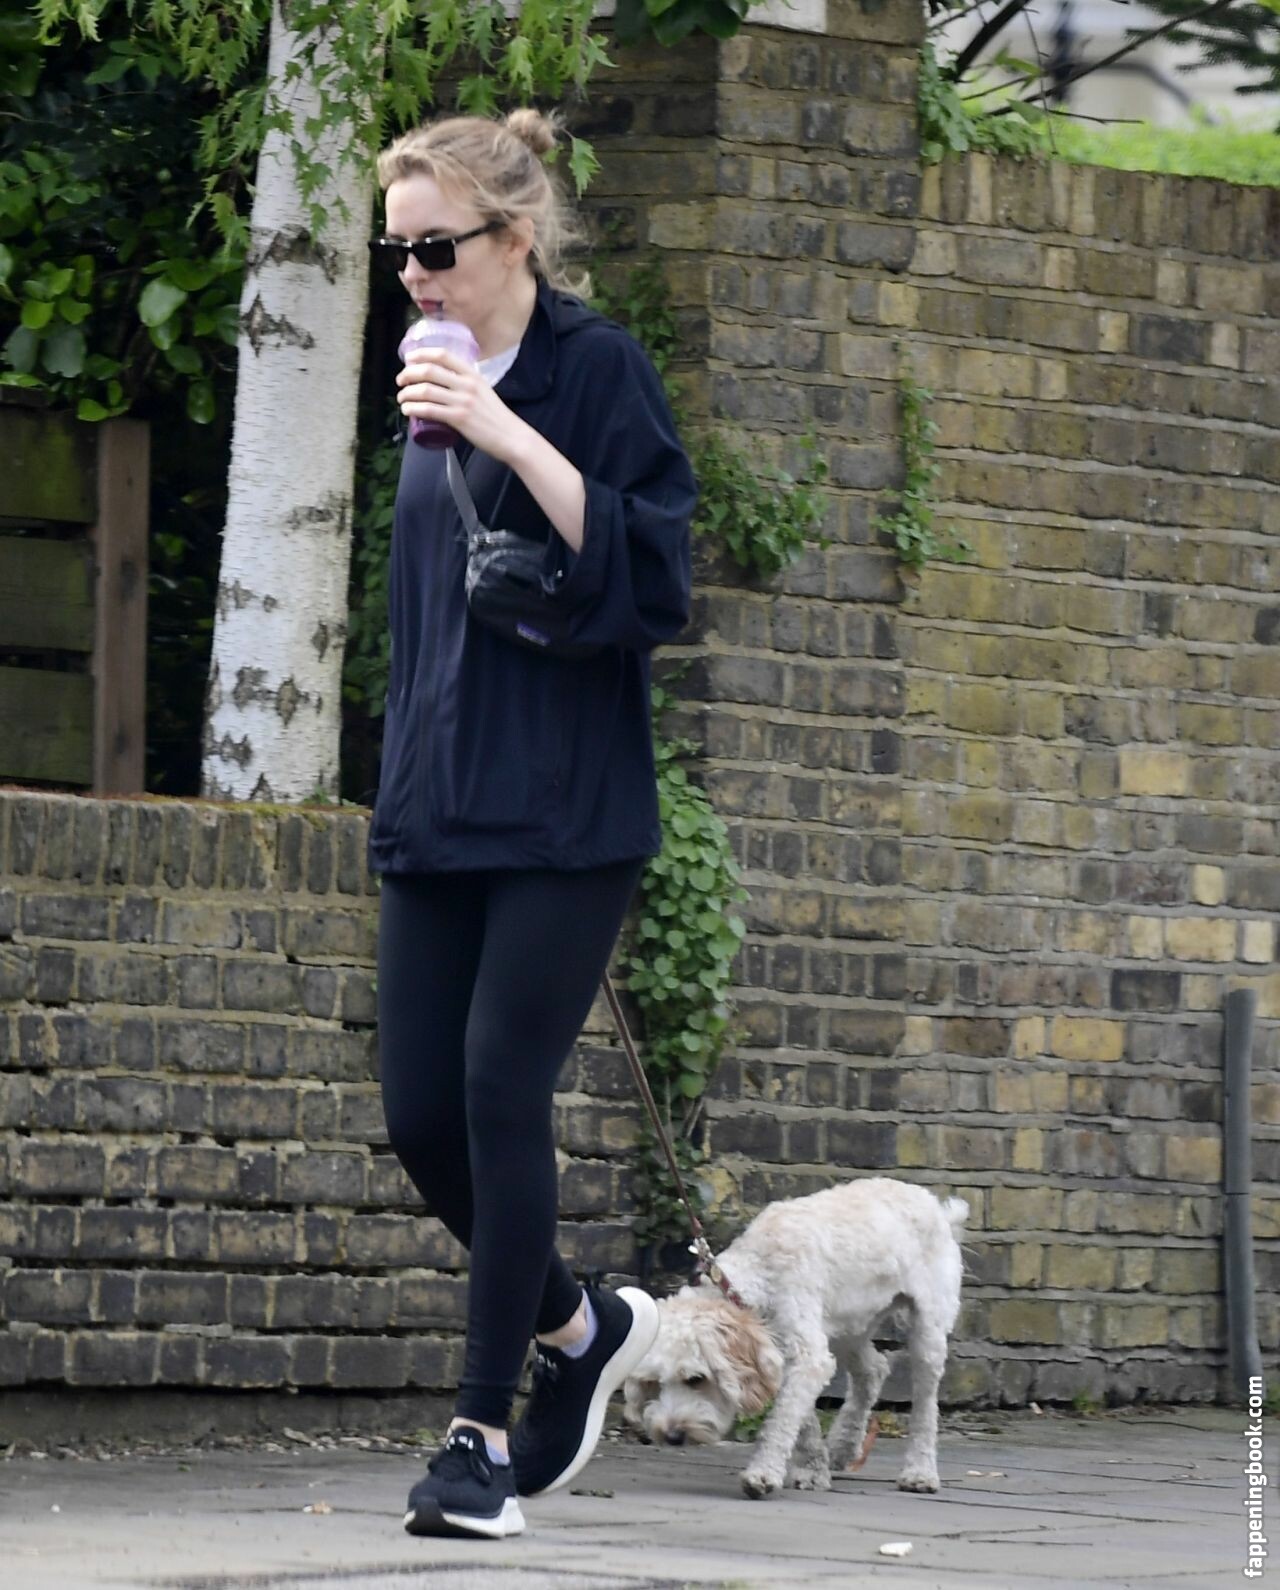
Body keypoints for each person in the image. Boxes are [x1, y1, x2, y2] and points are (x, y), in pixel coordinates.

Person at [365, 108, 696, 1540]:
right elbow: (427, 601)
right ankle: (581, 1323)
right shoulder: (421, 370)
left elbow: (656, 574)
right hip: (438, 797)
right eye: (397, 252)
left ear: (512, 239)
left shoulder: (594, 367)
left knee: (503, 1095)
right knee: (420, 1113)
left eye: (435, 248)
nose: (414, 276)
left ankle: (479, 1442)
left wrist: (501, 426)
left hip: (565, 810)